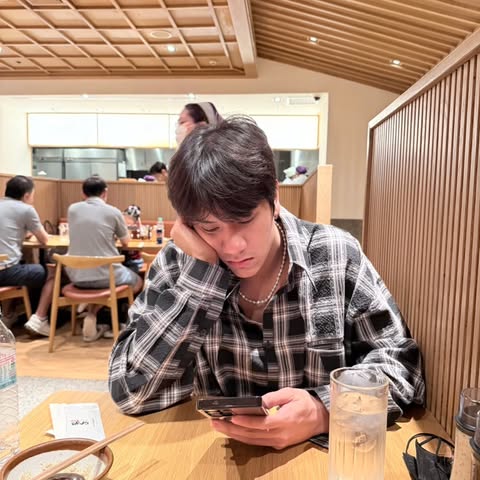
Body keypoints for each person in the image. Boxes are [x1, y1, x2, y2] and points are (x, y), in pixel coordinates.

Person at [109, 117, 424, 450]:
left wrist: (324, 411)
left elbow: (401, 364)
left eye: (244, 220)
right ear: (187, 225)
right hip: (215, 456)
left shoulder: (333, 253)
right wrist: (200, 280)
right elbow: (130, 391)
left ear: (274, 197)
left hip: (317, 459)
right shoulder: (178, 265)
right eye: (210, 228)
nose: (233, 246)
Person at [66, 176, 143, 342]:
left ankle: (92, 310)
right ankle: (102, 315)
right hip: (106, 276)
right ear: (105, 192)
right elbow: (126, 241)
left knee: (112, 275)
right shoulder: (113, 212)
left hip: (77, 276)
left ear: (83, 193)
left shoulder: (72, 209)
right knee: (137, 280)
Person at [0, 175, 54, 336]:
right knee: (51, 271)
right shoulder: (26, 209)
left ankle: (8, 315)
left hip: (4, 268)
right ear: (26, 195)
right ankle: (39, 318)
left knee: (19, 263)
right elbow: (44, 240)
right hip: (5, 272)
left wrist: (22, 234)